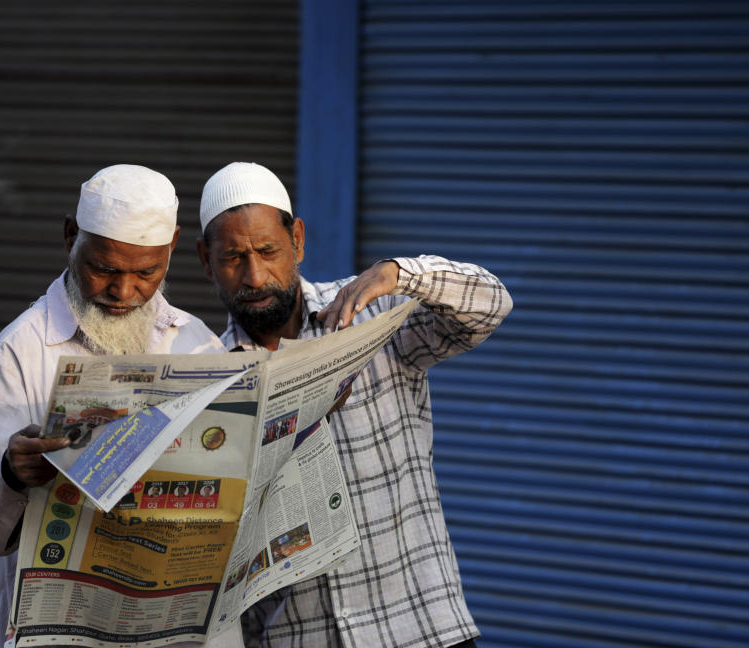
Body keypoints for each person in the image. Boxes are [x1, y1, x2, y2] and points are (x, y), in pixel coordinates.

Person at [196, 162, 513, 648]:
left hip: (423, 630)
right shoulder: (210, 383)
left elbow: (492, 305)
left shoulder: (373, 318)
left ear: (297, 240)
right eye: (234, 258)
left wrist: (400, 273)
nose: (255, 275)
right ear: (205, 260)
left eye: (268, 251)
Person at [0, 164, 225, 648]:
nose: (124, 293)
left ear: (173, 248)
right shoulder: (23, 349)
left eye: (147, 272)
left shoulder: (197, 344)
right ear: (69, 236)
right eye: (103, 269)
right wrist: (12, 474)